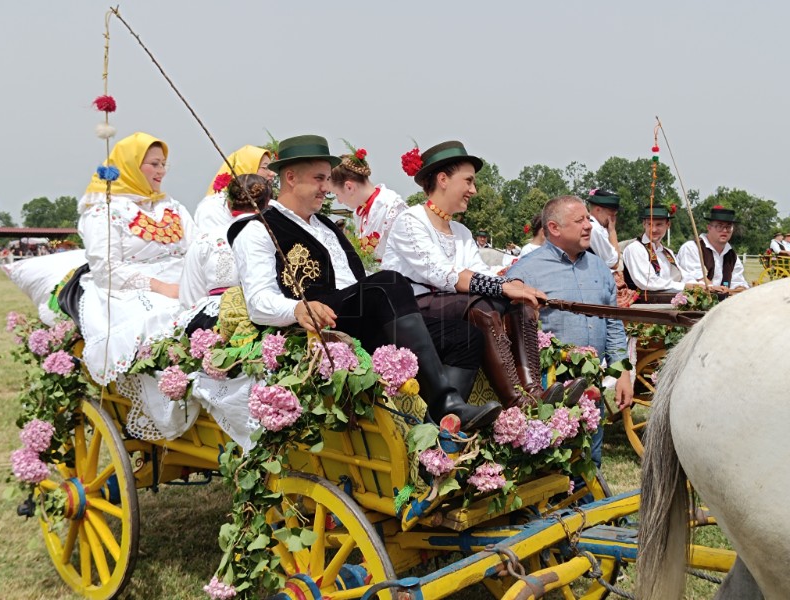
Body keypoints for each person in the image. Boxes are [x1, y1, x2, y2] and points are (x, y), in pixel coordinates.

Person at [229, 134, 500, 431]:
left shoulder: (328, 227)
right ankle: (446, 403)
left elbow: (357, 284)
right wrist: (296, 309)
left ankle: (439, 430)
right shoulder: (257, 230)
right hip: (320, 323)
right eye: (320, 179)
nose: (326, 188)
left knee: (464, 336)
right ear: (290, 178)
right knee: (388, 282)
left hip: (359, 317)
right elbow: (258, 301)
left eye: (328, 179)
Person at [383, 140, 585, 408]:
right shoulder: (411, 221)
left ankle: (533, 391)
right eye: (468, 181)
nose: (473, 190)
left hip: (450, 306)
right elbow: (442, 274)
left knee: (517, 303)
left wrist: (515, 287)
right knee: (487, 301)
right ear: (443, 179)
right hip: (414, 311)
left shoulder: (462, 232)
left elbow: (479, 273)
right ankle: (517, 400)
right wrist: (504, 287)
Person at [507, 195, 633, 471]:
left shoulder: (599, 267)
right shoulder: (525, 271)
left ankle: (592, 509)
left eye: (588, 218)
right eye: (580, 221)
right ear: (554, 228)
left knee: (591, 457)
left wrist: (622, 372)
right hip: (548, 386)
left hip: (591, 383)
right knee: (551, 464)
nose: (588, 226)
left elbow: (613, 325)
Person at [76, 132, 195, 384]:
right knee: (167, 315)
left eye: (164, 164)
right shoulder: (105, 209)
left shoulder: (172, 207)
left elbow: (197, 249)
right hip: (128, 288)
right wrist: (162, 287)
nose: (161, 170)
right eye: (154, 164)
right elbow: (106, 270)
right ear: (130, 166)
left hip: (182, 281)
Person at [179, 174, 271, 333]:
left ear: (229, 204)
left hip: (213, 327)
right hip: (268, 323)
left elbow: (190, 300)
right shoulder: (277, 237)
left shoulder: (205, 241)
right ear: (268, 204)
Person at [329, 144, 407, 260]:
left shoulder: (393, 208)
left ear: (349, 187)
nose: (339, 201)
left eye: (337, 194)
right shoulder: (360, 213)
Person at [194, 145, 275, 235]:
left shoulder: (265, 203)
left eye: (271, 168)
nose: (272, 174)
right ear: (247, 167)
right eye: (265, 168)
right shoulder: (213, 206)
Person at [622, 204, 696, 298]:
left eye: (659, 224)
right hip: (642, 306)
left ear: (668, 225)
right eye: (650, 224)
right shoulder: (635, 249)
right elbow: (648, 282)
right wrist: (685, 286)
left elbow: (683, 276)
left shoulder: (667, 252)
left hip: (667, 302)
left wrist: (703, 286)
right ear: (644, 224)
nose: (654, 229)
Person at [676, 206, 749, 292]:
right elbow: (698, 281)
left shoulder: (732, 256)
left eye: (728, 227)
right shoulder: (692, 248)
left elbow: (738, 283)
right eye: (719, 226)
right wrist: (718, 290)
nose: (725, 230)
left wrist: (735, 290)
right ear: (709, 227)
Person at [586, 189, 621, 269]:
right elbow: (614, 264)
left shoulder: (598, 228)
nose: (613, 219)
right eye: (611, 214)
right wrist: (612, 231)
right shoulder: (594, 229)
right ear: (598, 210)